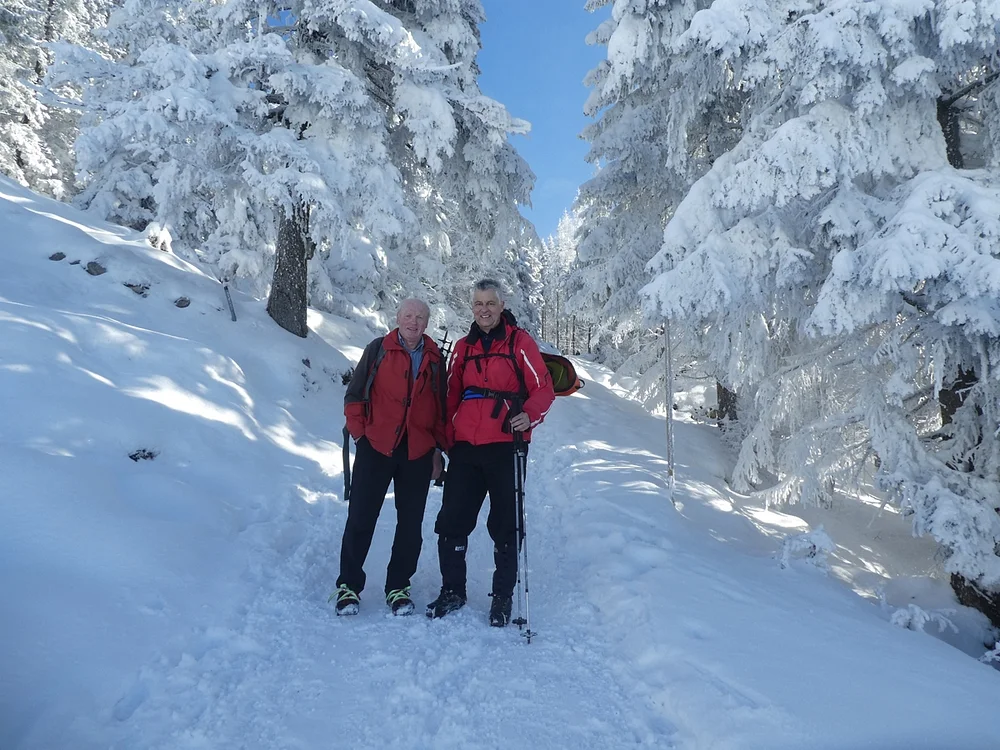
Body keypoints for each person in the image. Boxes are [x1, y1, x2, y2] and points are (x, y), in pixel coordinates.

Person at [426, 279, 555, 626]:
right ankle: (453, 589)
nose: (484, 310)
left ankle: (502, 597)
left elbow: (543, 387)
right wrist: (446, 439)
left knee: (506, 524)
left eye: (490, 303)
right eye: (478, 303)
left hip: (506, 447)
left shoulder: (520, 343)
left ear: (501, 306)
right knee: (453, 520)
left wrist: (530, 415)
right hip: (466, 448)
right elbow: (451, 394)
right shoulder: (464, 348)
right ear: (473, 307)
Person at [335, 298, 446, 616]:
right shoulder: (377, 349)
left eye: (421, 317)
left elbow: (440, 409)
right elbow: (354, 395)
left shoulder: (435, 358)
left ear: (427, 323)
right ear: (398, 318)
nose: (414, 321)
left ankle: (398, 587)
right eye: (409, 315)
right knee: (360, 518)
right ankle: (348, 587)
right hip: (377, 446)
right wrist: (360, 436)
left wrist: (438, 450)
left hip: (418, 452)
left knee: (410, 525)